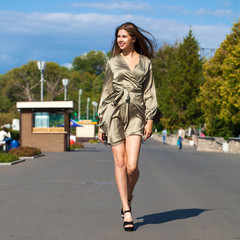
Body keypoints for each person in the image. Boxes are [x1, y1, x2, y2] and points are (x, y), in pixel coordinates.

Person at [98, 22, 158, 231]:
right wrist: (100, 124)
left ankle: (128, 195)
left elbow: (149, 91)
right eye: (118, 37)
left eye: (124, 36)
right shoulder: (113, 62)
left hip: (137, 113)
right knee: (120, 162)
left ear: (134, 38)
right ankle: (127, 210)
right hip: (113, 112)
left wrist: (150, 118)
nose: (120, 40)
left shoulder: (146, 63)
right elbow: (106, 92)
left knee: (132, 166)